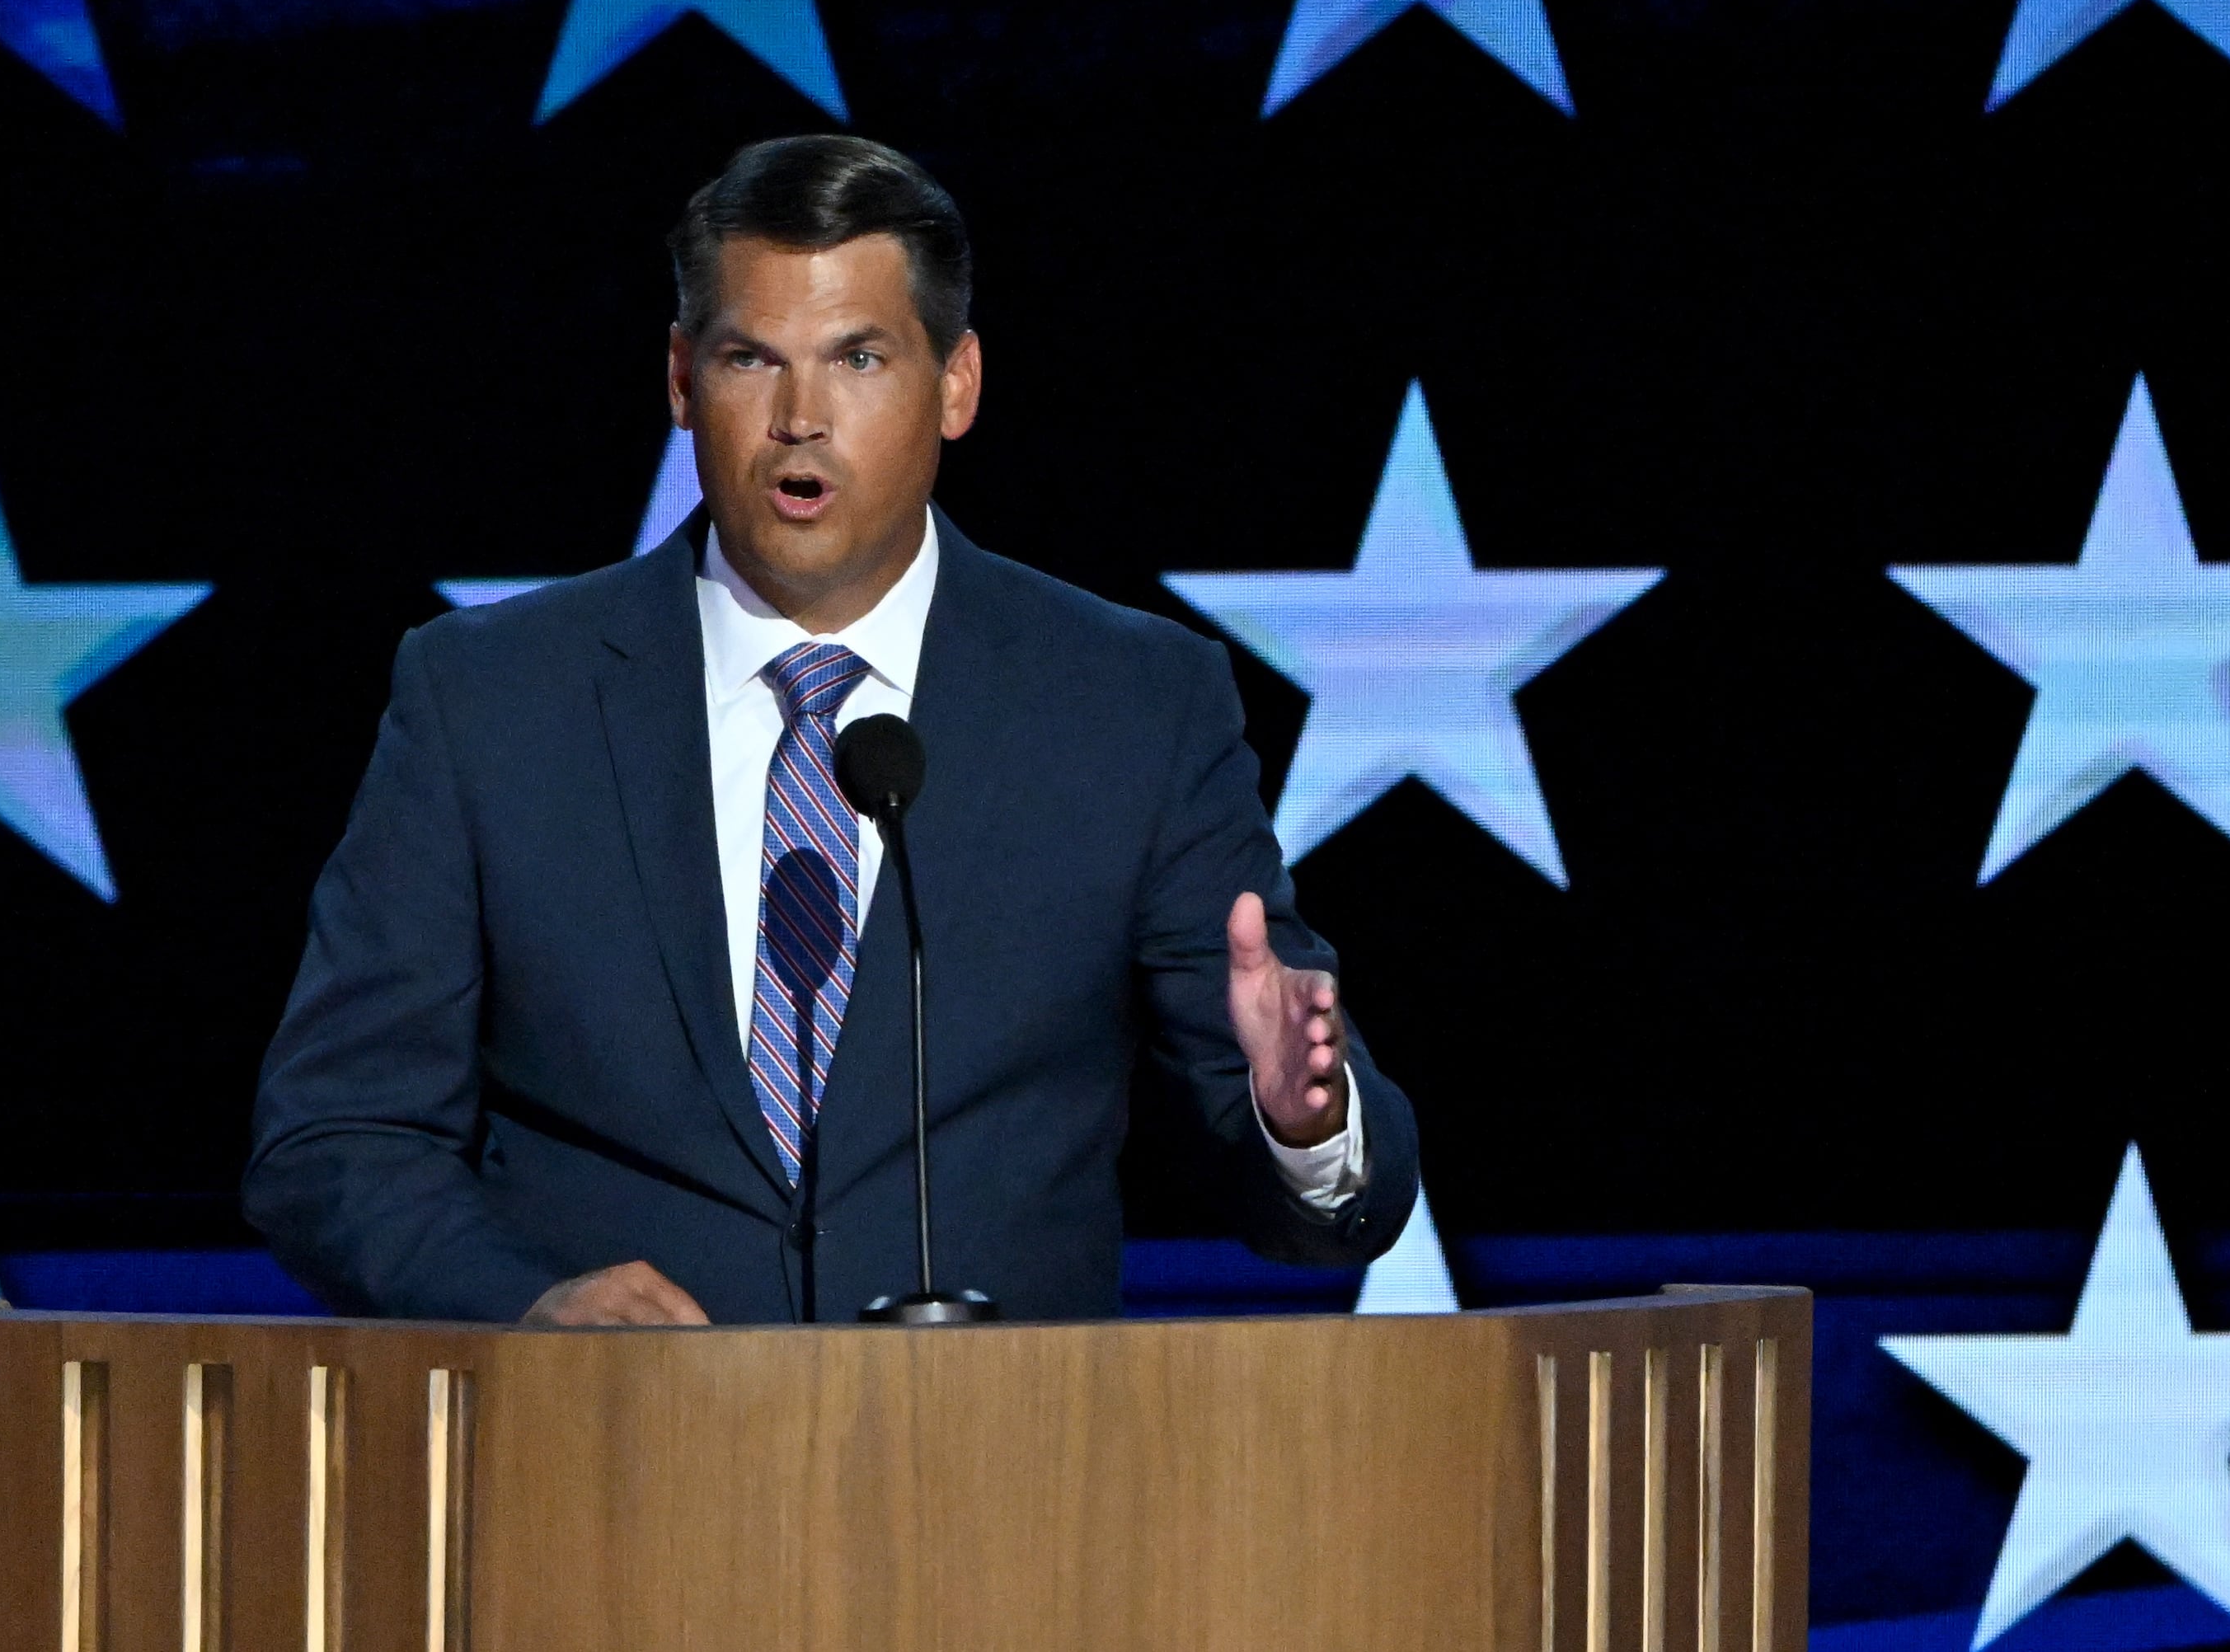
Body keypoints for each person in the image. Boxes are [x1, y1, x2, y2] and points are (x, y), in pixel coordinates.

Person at [246, 134, 1417, 1324]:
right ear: (680, 378)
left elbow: (1326, 1210)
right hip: (600, 1467)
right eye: (752, 359)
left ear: (956, 384)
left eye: (859, 357)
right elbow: (336, 1138)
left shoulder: (1130, 705)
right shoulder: (490, 700)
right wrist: (529, 1308)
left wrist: (1302, 1121)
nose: (800, 420)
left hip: (1005, 1473)